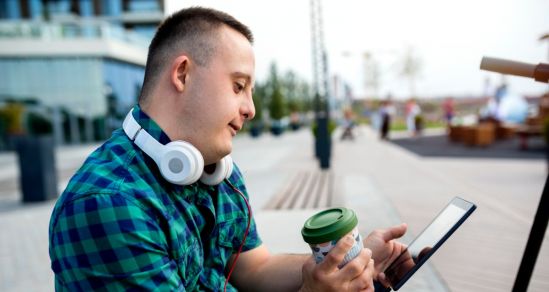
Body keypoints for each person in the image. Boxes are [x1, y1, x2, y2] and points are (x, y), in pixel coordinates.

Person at [49, 7, 408, 291]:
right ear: (183, 74)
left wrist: (350, 263)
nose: (251, 109)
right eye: (239, 86)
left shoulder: (216, 170)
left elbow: (255, 267)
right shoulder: (107, 204)